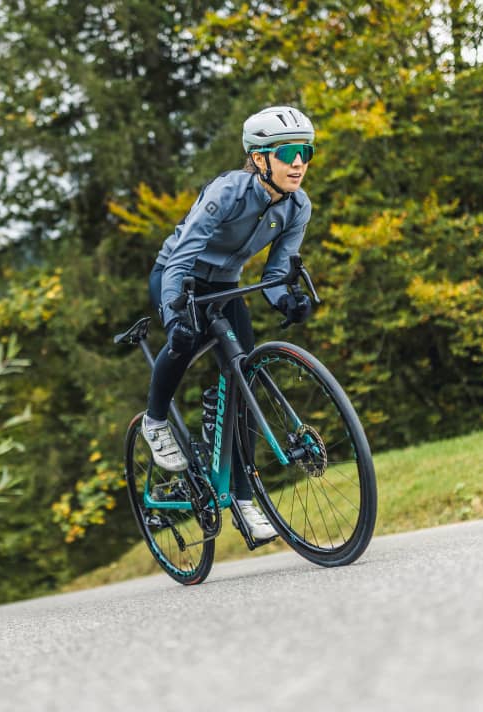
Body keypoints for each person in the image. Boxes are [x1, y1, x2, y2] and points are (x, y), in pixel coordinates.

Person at [141, 105, 316, 541]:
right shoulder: (227, 193)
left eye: (306, 152)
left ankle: (243, 500)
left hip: (226, 287)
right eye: (288, 152)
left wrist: (286, 301)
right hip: (179, 276)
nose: (299, 162)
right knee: (182, 342)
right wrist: (174, 314)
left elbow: (276, 273)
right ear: (259, 158)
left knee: (244, 381)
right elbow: (180, 258)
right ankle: (155, 420)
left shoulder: (298, 207)